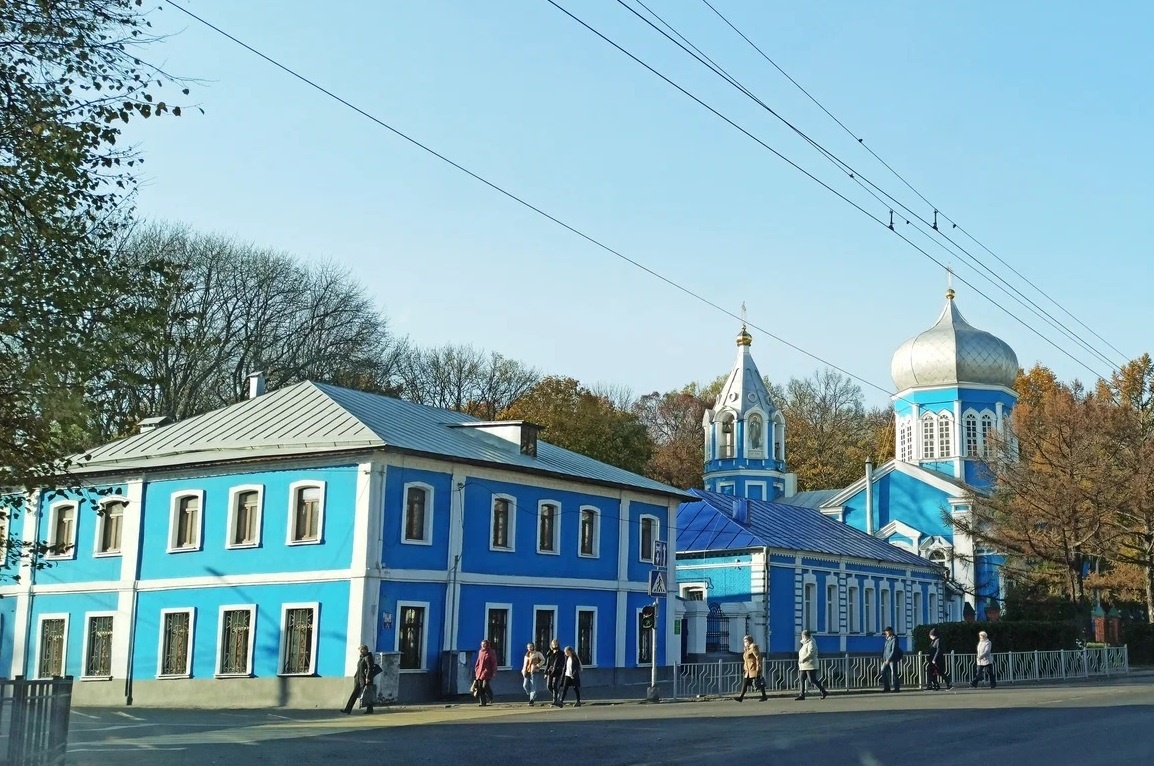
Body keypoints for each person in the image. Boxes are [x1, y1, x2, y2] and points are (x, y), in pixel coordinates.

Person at [340, 644, 375, 715]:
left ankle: (369, 709)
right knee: (355, 694)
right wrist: (356, 675)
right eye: (360, 650)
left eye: (362, 650)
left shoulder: (367, 657)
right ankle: (348, 709)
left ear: (365, 650)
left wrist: (367, 677)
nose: (360, 651)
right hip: (359, 678)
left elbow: (369, 668)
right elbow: (359, 668)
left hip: (364, 678)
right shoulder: (362, 657)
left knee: (368, 693)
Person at [795, 630, 828, 701]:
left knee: (812, 680)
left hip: (810, 664)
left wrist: (804, 659)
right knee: (801, 679)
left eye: (803, 635)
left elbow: (811, 652)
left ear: (805, 636)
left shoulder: (811, 642)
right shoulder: (805, 643)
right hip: (803, 665)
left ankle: (823, 691)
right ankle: (801, 695)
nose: (802, 637)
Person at [734, 634, 767, 702]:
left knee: (758, 682)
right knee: (746, 682)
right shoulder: (746, 649)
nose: (744, 643)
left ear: (749, 641)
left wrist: (758, 666)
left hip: (753, 669)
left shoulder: (753, 647)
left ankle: (764, 696)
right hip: (748, 670)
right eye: (744, 641)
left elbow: (758, 657)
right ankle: (741, 697)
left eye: (746, 641)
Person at [474, 639, 497, 706]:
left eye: (484, 644)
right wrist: (476, 669)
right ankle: (482, 702)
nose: (483, 646)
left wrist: (494, 671)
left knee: (485, 685)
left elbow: (494, 662)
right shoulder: (480, 651)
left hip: (487, 671)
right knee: (480, 687)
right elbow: (478, 661)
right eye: (482, 644)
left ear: (487, 645)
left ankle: (491, 697)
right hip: (479, 672)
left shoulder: (491, 652)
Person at [880, 626, 903, 692]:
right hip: (886, 659)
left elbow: (894, 650)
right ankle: (887, 687)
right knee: (883, 671)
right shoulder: (887, 639)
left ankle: (896, 688)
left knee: (894, 673)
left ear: (891, 631)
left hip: (892, 659)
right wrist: (883, 657)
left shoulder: (894, 639)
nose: (886, 632)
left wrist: (889, 659)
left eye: (887, 631)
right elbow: (885, 649)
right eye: (885, 631)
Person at [543, 638, 565, 706]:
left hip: (557, 671)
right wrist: (545, 672)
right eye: (553, 644)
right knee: (548, 686)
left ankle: (555, 700)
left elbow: (562, 663)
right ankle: (556, 695)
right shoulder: (550, 653)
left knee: (555, 685)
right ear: (551, 645)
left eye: (556, 644)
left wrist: (559, 668)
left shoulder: (561, 653)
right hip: (550, 671)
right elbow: (548, 663)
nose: (554, 645)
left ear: (558, 644)